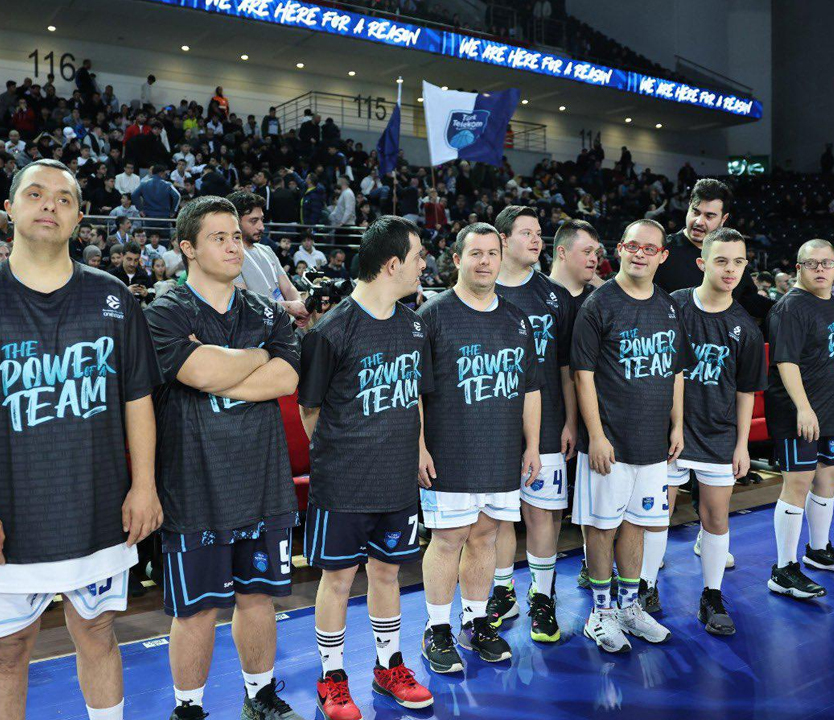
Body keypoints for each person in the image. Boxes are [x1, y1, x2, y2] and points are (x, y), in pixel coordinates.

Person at [0, 159, 163, 720]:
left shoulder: (114, 297)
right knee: (7, 648)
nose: (50, 205)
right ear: (9, 209)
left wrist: (144, 485)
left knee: (98, 632)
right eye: (36, 194)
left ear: (79, 219)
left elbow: (137, 398)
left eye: (65, 199)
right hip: (6, 514)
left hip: (98, 508)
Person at [144, 196, 302, 720]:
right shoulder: (164, 312)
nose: (234, 246)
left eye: (237, 236)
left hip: (261, 479)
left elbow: (287, 378)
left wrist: (217, 367)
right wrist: (258, 357)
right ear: (187, 248)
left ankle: (260, 697)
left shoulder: (264, 310)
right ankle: (189, 710)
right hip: (194, 485)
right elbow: (200, 372)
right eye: (219, 238)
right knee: (196, 609)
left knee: (259, 598)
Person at [297, 215, 434, 719]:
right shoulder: (331, 331)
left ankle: (388, 665)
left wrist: (418, 448)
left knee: (387, 574)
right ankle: (332, 678)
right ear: (393, 264)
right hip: (344, 485)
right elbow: (309, 410)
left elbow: (414, 396)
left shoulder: (414, 324)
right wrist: (341, 456)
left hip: (397, 481)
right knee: (337, 581)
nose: (424, 266)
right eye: (418, 257)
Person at [417, 222, 541, 673]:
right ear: (457, 259)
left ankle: (474, 622)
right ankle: (437, 629)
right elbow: (415, 392)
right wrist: (419, 446)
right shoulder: (432, 315)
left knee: (486, 536)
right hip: (449, 450)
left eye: (492, 253)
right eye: (476, 253)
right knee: (448, 539)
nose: (485, 261)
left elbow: (530, 388)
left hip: (501, 449)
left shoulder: (516, 318)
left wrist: (532, 446)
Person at [642, 228, 766, 635]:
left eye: (738, 262)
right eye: (721, 260)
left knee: (715, 518)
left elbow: (746, 392)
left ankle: (711, 595)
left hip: (717, 434)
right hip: (668, 433)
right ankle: (645, 586)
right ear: (702, 263)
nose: (730, 269)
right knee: (656, 515)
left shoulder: (745, 327)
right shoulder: (673, 305)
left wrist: (742, 444)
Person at [570, 218, 685, 653]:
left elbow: (676, 371)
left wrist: (677, 424)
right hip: (610, 444)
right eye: (633, 245)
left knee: (637, 525)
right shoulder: (598, 304)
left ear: (663, 256)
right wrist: (596, 436)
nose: (640, 254)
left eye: (649, 248)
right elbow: (582, 376)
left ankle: (629, 607)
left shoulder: (668, 305)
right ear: (619, 249)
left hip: (653, 443)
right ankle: (600, 614)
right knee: (602, 528)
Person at [483, 206, 575, 644]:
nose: (537, 240)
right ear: (503, 239)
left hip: (550, 419)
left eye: (539, 233)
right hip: (495, 425)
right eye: (526, 233)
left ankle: (542, 596)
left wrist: (571, 420)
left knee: (542, 514)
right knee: (500, 517)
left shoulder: (555, 295)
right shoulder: (482, 291)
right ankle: (503, 591)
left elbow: (567, 366)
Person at [764, 239, 834, 601]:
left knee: (828, 478)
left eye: (826, 263)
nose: (820, 269)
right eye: (812, 263)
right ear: (798, 268)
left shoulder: (833, 303)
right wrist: (804, 408)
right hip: (800, 411)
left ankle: (818, 550)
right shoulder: (790, 307)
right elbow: (785, 361)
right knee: (798, 483)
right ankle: (784, 570)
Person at [653, 179, 771, 321]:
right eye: (695, 212)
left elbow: (749, 301)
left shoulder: (730, 255)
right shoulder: (661, 250)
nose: (699, 221)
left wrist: (789, 307)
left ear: (723, 219)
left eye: (709, 216)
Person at [228, 191, 310, 327]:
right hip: (256, 330)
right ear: (235, 222)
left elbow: (288, 288)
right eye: (254, 221)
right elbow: (246, 303)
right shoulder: (229, 255)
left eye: (262, 219)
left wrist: (299, 307)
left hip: (282, 327)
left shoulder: (267, 250)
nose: (261, 227)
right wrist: (289, 307)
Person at [548, 219, 601, 302]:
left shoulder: (601, 298)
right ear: (562, 252)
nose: (594, 259)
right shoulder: (534, 296)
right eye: (587, 252)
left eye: (596, 253)